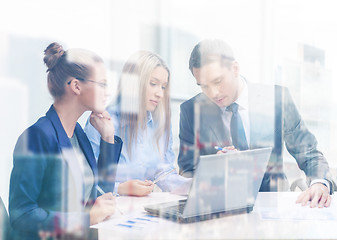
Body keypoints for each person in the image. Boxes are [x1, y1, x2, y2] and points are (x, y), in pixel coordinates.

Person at [178, 39, 333, 208]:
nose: (213, 93)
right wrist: (214, 169)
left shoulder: (277, 100)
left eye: (217, 81)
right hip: (219, 210)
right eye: (204, 86)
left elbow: (309, 152)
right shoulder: (191, 111)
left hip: (272, 208)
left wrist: (320, 183)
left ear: (235, 69)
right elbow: (186, 172)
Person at [9, 42, 122, 239]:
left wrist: (108, 138)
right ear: (76, 86)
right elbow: (22, 214)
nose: (107, 92)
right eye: (102, 84)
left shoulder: (77, 133)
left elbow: (101, 196)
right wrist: (85, 218)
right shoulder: (37, 137)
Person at [85, 51, 191, 197]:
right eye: (153, 84)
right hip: (110, 209)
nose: (159, 93)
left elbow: (164, 174)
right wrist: (121, 188)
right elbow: (87, 181)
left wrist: (198, 185)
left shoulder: (159, 124)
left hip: (144, 210)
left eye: (163, 87)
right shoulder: (101, 122)